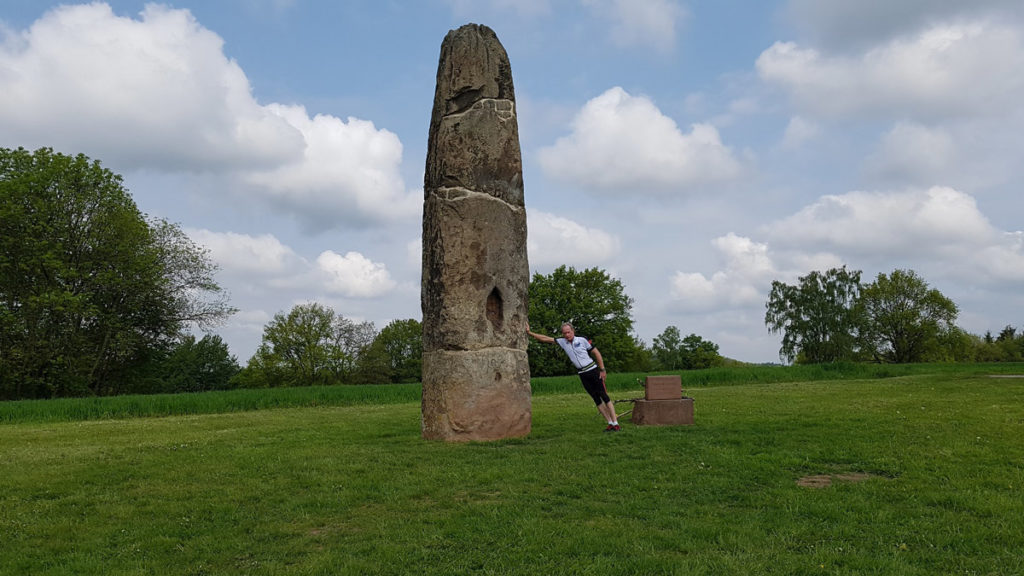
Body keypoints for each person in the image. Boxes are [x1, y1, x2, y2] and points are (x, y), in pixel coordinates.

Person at [527, 322, 620, 432]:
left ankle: (616, 423)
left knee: (604, 396)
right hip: (582, 374)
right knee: (596, 399)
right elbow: (545, 339)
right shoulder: (562, 342)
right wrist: (529, 332)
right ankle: (609, 423)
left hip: (593, 370)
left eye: (569, 332)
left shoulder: (582, 340)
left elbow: (596, 353)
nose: (567, 335)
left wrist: (602, 369)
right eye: (564, 333)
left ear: (573, 331)